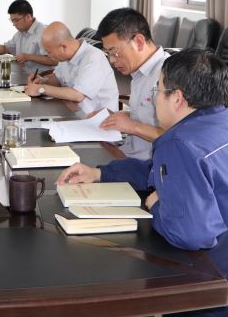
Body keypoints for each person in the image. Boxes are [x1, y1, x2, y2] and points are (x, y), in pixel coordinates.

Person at [57, 50, 228, 309]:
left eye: (158, 90)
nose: (154, 99)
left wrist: (156, 205)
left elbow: (191, 234)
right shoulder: (218, 122)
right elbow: (160, 171)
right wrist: (100, 173)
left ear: (177, 98)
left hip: (210, 285)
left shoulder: (180, 142)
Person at [96, 7, 170, 160]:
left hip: (148, 166)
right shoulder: (139, 71)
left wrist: (131, 126)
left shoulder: (169, 75)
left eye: (114, 52)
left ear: (139, 42)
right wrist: (117, 117)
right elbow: (149, 115)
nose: (112, 60)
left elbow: (177, 136)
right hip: (126, 153)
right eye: (108, 53)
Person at [23, 21, 118, 117]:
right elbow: (58, 79)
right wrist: (43, 81)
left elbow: (78, 95)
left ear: (63, 47)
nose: (48, 55)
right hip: (71, 110)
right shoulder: (66, 56)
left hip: (97, 119)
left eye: (49, 52)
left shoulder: (93, 57)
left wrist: (41, 89)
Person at [0, 0, 57, 73]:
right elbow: (5, 49)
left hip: (42, 77)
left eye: (16, 20)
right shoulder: (20, 33)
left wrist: (29, 57)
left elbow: (55, 60)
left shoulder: (44, 32)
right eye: (12, 21)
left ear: (28, 17)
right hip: (24, 74)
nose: (14, 24)